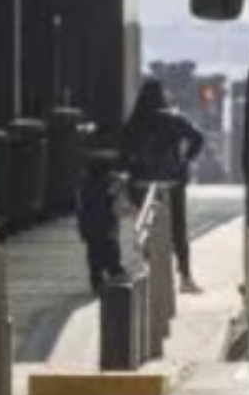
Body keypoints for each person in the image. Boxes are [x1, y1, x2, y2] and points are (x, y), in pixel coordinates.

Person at [122, 79, 206, 294]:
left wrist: (131, 181)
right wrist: (186, 160)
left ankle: (150, 274)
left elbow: (124, 154)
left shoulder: (133, 123)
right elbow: (198, 138)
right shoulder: (173, 119)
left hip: (142, 184)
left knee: (148, 228)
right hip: (172, 183)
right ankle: (185, 278)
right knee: (178, 228)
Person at [75, 151, 134, 294]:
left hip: (87, 223)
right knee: (111, 249)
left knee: (93, 252)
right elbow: (114, 198)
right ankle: (116, 274)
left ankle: (97, 280)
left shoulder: (84, 182)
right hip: (106, 223)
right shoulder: (109, 182)